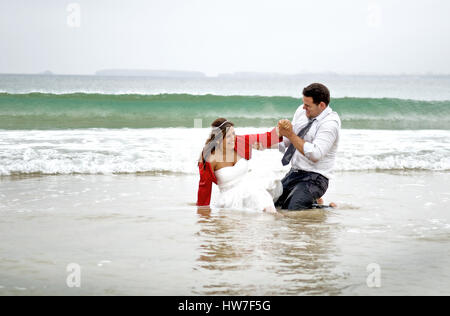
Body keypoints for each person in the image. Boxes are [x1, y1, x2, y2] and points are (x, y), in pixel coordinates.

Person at [276, 83, 341, 210]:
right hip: (295, 173)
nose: (303, 108)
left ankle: (327, 208)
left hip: (316, 177)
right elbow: (288, 142)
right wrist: (278, 135)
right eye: (303, 103)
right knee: (274, 205)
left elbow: (315, 154)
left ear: (321, 105)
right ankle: (315, 203)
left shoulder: (330, 123)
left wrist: (291, 134)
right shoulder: (302, 111)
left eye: (308, 105)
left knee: (292, 209)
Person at [197, 118, 283, 213]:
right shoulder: (209, 158)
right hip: (230, 197)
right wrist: (204, 217)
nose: (233, 138)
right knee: (257, 196)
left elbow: (266, 138)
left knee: (259, 191)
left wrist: (281, 128)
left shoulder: (239, 141)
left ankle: (274, 215)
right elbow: (204, 188)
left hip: (250, 186)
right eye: (228, 136)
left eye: (234, 133)